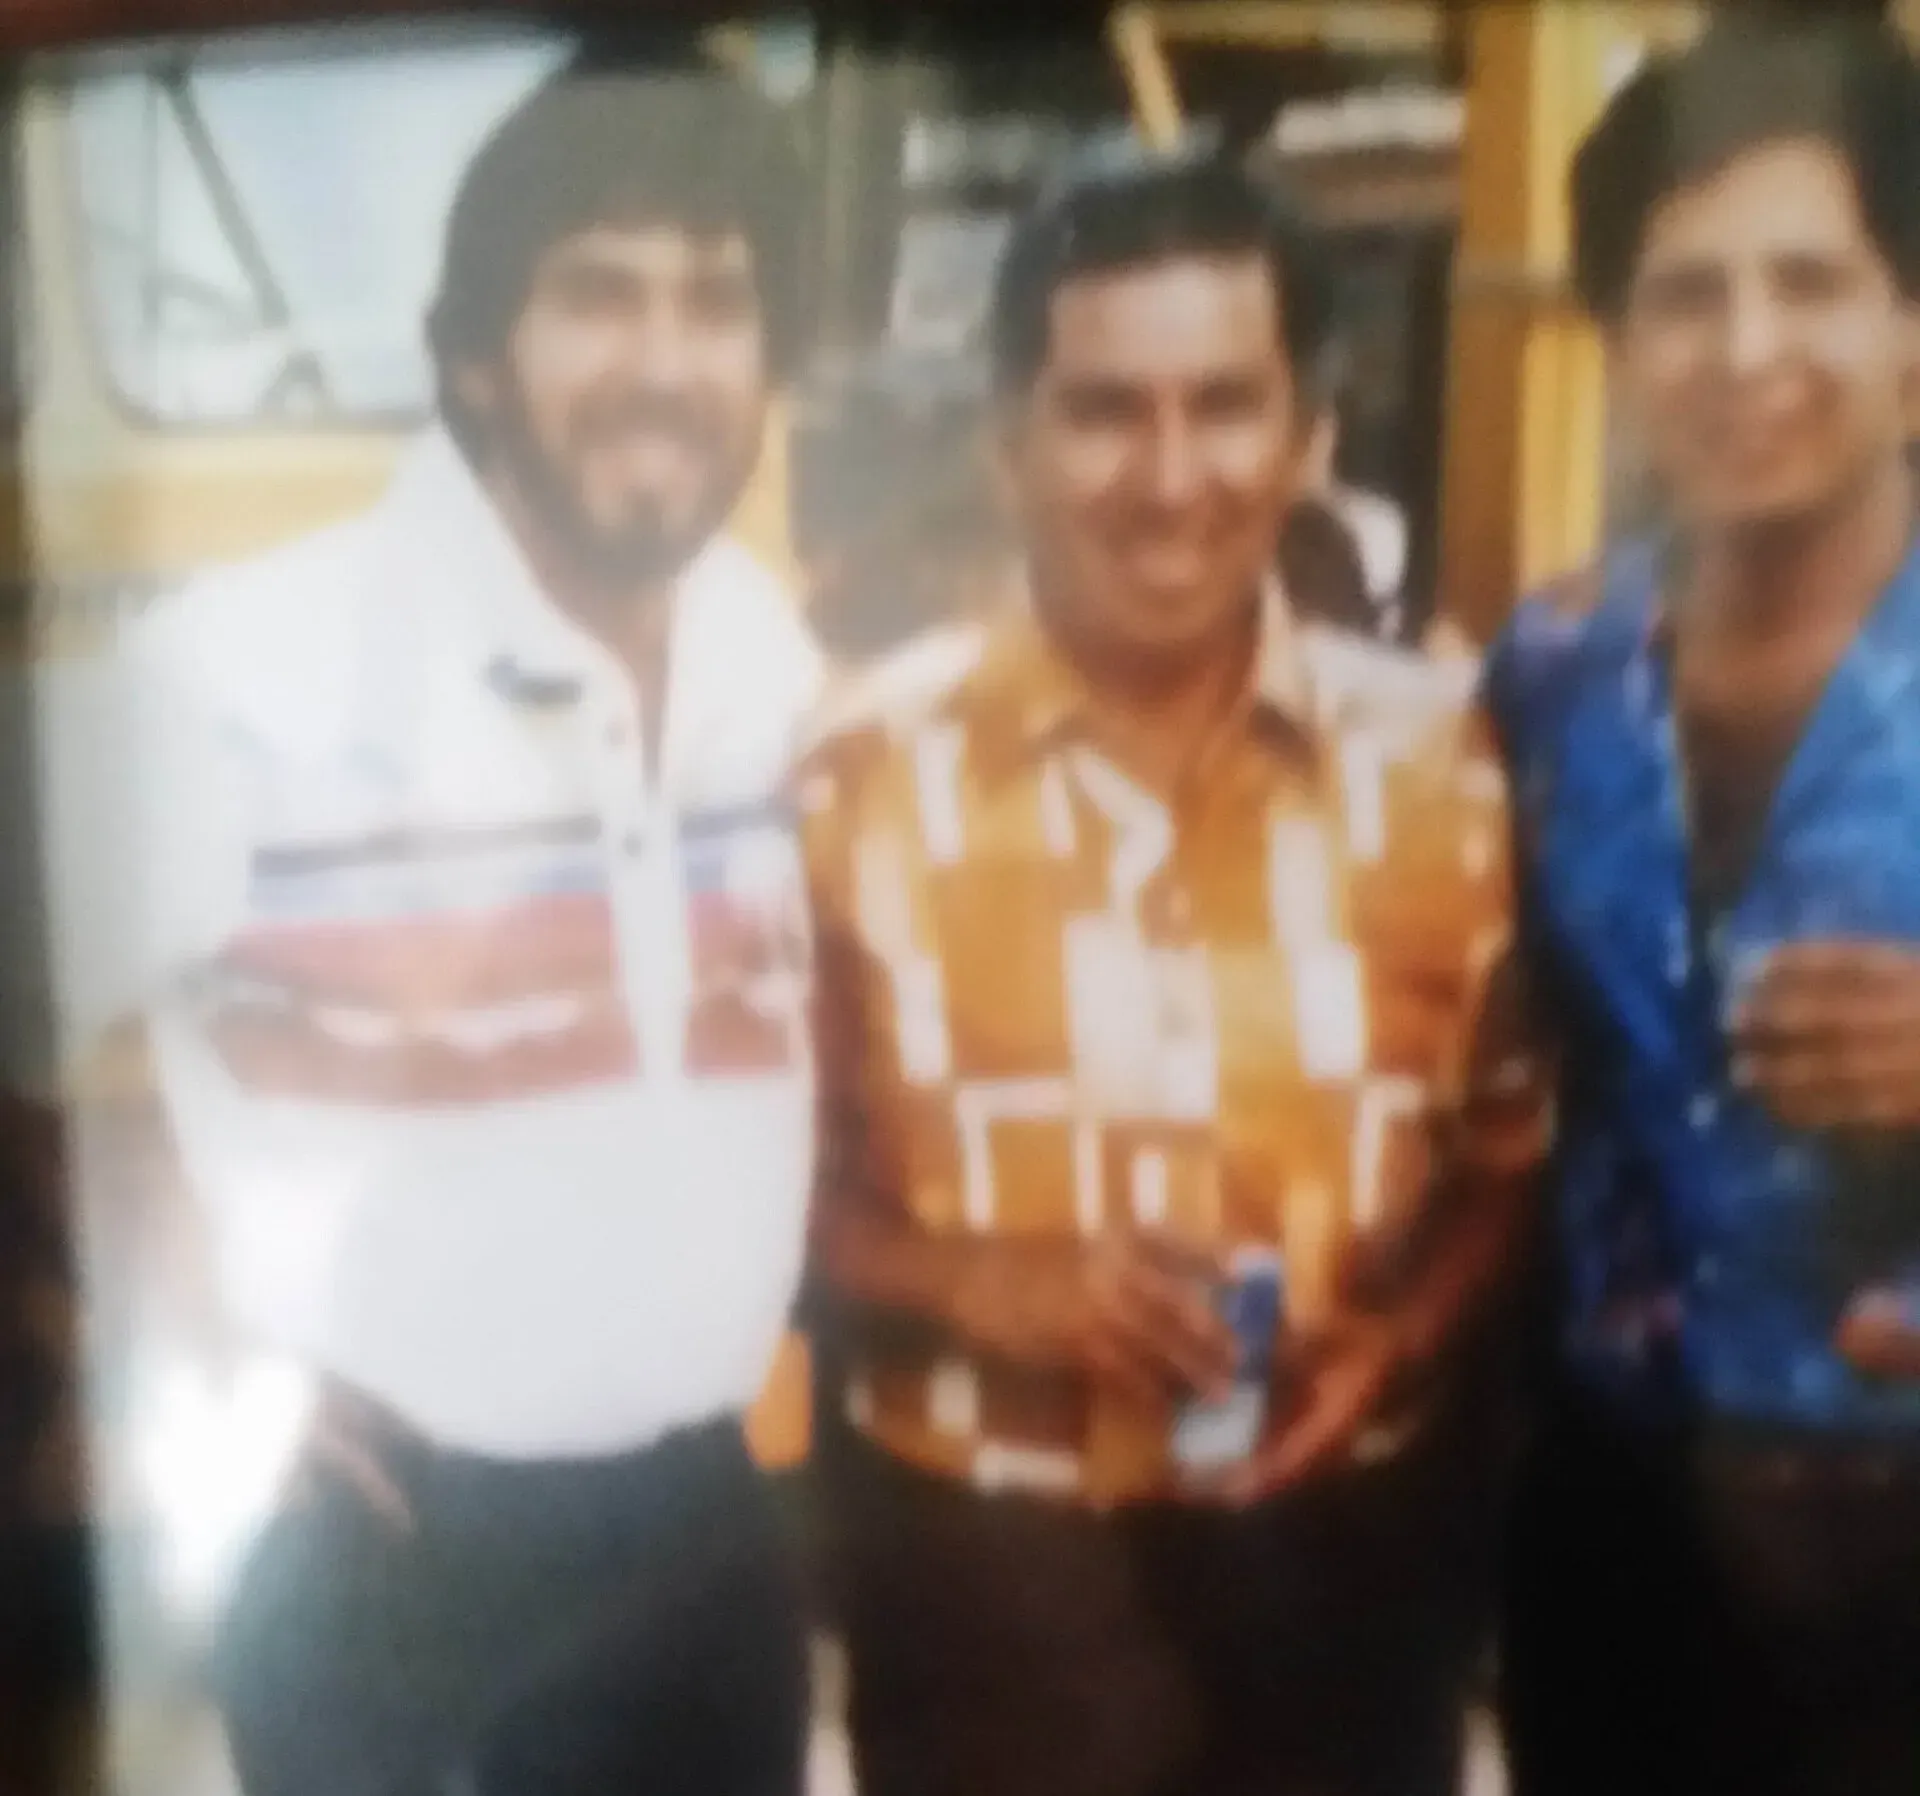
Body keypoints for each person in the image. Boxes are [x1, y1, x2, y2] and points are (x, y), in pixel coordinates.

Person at [83, 43, 824, 1796]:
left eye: (717, 299)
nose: (664, 362)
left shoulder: (765, 656)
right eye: (599, 295)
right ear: (475, 358)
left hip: (705, 1540)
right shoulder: (239, 669)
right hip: (395, 1562)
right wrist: (160, 1331)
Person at [799, 151, 1550, 1796]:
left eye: (1224, 404)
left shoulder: (1441, 762)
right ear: (1008, 445)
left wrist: (1400, 1335)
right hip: (990, 1602)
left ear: (1310, 436)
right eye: (1101, 410)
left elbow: (1507, 1155)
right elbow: (763, 1206)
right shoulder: (854, 775)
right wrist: (985, 1286)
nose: (1167, 474)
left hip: (1344, 1588)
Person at [1488, 19, 1920, 1796]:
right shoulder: (1556, 665)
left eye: (1811, 280)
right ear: (1618, 340)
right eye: (1686, 292)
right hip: (1618, 1551)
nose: (1748, 350)